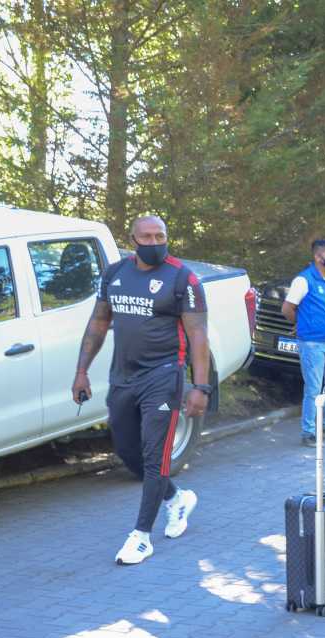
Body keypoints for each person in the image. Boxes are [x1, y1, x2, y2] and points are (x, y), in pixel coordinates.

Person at [73, 215, 210, 565]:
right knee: (127, 450)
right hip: (123, 377)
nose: (154, 242)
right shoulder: (114, 274)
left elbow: (198, 334)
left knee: (155, 456)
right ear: (132, 239)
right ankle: (176, 498)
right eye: (146, 237)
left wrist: (201, 386)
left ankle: (141, 537)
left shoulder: (183, 278)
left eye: (160, 236)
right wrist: (81, 371)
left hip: (163, 376)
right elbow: (99, 322)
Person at [282, 239, 325, 447]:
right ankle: (308, 432)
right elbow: (287, 309)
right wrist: (302, 324)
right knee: (313, 388)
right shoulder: (303, 280)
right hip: (311, 343)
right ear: (318, 257)